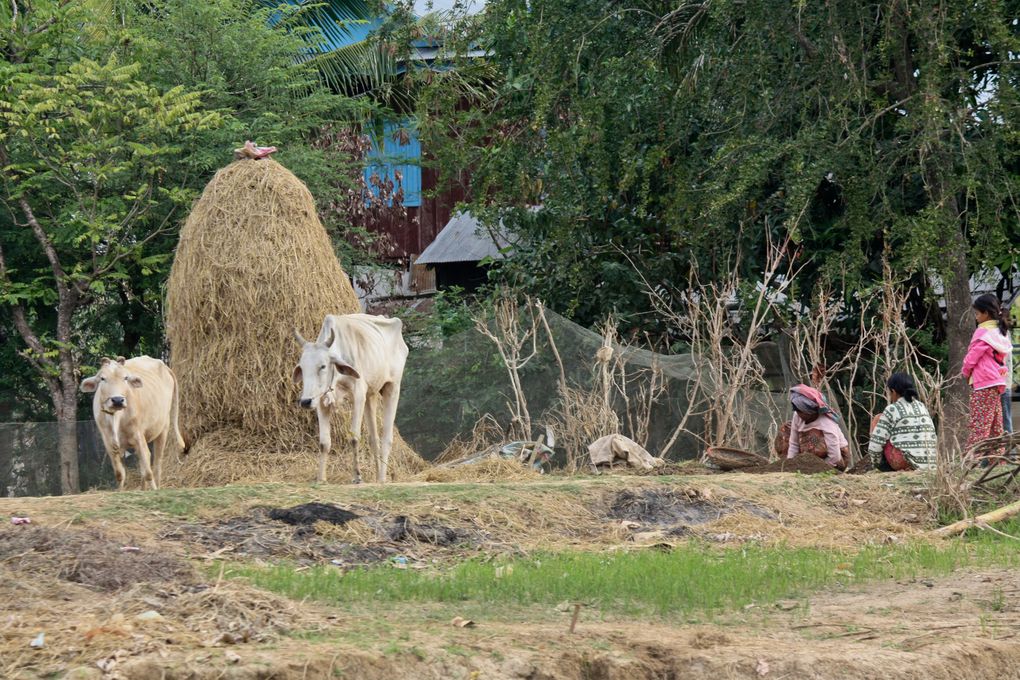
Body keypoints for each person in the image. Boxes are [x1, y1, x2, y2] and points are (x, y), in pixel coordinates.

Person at [962, 294, 1012, 460]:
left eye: (977, 314)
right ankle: (997, 462)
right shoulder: (1000, 331)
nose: (976, 317)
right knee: (996, 427)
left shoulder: (982, 331)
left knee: (979, 426)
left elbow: (973, 355)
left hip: (983, 383)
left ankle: (967, 464)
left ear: (985, 313)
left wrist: (965, 371)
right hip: (998, 382)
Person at [867, 373, 937, 471]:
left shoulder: (892, 409)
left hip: (906, 463)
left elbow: (876, 444)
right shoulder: (922, 407)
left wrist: (875, 463)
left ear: (893, 392)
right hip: (930, 463)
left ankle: (886, 468)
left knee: (878, 420)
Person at [784, 384, 849, 470]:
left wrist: (818, 469)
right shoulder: (797, 416)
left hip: (835, 461)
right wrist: (790, 465)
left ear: (810, 412)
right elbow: (794, 444)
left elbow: (835, 456)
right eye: (797, 411)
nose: (798, 414)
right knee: (785, 430)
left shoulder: (827, 422)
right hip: (809, 461)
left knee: (814, 435)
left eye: (801, 411)